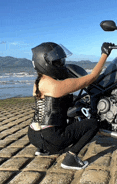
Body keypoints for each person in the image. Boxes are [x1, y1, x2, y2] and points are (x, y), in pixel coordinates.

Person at [28, 42, 112, 170]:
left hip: (33, 136)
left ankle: (43, 150)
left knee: (66, 106)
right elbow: (92, 77)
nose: (61, 63)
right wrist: (104, 54)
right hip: (52, 138)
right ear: (46, 63)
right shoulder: (56, 86)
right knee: (93, 124)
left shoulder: (38, 82)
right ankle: (71, 158)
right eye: (57, 62)